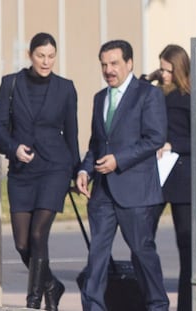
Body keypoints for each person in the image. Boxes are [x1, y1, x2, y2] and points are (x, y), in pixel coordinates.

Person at [0, 32, 80, 310]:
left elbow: (72, 134)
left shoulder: (65, 88)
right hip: (22, 170)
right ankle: (52, 285)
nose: (46, 61)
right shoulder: (11, 84)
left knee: (39, 235)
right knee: (22, 243)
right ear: (30, 55)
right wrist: (14, 148)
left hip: (55, 168)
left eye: (51, 56)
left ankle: (34, 300)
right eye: (41, 55)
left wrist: (76, 173)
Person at [75, 39, 169, 311]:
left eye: (114, 63)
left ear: (129, 63)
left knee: (142, 253)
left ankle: (157, 305)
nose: (108, 70)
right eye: (104, 64)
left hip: (136, 191)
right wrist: (85, 169)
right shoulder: (100, 98)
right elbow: (97, 143)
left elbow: (155, 138)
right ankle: (93, 306)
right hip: (103, 192)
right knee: (97, 256)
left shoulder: (147, 95)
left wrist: (119, 160)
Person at [142, 44, 192, 311]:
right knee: (142, 236)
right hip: (158, 175)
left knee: (185, 243)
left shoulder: (189, 97)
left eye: (168, 70)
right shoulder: (156, 93)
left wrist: (174, 144)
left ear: (180, 69)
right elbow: (137, 88)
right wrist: (152, 76)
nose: (163, 74)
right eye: (161, 68)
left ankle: (186, 305)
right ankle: (151, 298)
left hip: (182, 174)